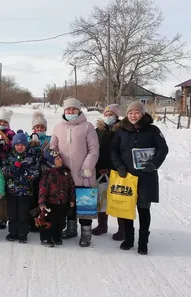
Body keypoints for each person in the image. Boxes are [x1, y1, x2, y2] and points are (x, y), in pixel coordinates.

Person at [111, 101, 168, 255]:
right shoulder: (121, 131)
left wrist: (154, 164)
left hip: (146, 177)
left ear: (142, 114)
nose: (133, 115)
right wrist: (120, 167)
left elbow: (163, 149)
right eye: (130, 113)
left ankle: (143, 241)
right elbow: (113, 150)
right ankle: (129, 239)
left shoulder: (153, 130)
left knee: (143, 209)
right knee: (127, 208)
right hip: (127, 176)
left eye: (136, 112)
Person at [50, 98, 99, 247]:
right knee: (68, 204)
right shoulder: (58, 128)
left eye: (73, 109)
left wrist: (87, 167)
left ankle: (86, 233)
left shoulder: (87, 127)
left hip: (84, 174)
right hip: (65, 175)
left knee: (85, 204)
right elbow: (53, 147)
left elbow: (94, 149)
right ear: (64, 111)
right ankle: (71, 229)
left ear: (79, 110)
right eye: (68, 109)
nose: (70, 112)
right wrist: (56, 159)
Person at [91, 104, 125, 240]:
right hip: (99, 169)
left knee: (118, 199)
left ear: (116, 116)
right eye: (106, 114)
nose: (108, 116)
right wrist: (98, 166)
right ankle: (102, 225)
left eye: (111, 114)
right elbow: (94, 150)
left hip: (117, 170)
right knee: (101, 198)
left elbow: (121, 152)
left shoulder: (122, 130)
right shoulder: (96, 131)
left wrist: (113, 167)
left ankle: (122, 229)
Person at [1, 130, 41, 244]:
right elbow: (3, 170)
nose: (19, 147)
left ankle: (23, 233)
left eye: (22, 145)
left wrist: (24, 172)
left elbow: (36, 172)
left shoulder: (31, 157)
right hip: (11, 190)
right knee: (12, 213)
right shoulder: (9, 157)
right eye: (17, 145)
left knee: (23, 213)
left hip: (25, 191)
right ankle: (13, 232)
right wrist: (11, 170)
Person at [38, 149, 76, 247]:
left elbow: (71, 186)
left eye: (60, 158)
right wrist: (42, 203)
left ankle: (56, 236)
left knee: (60, 221)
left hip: (62, 202)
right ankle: (45, 237)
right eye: (57, 159)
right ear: (51, 161)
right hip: (50, 203)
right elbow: (43, 189)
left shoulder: (66, 173)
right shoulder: (47, 174)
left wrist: (72, 199)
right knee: (48, 221)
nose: (60, 160)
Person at [27, 110, 50, 232]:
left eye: (42, 127)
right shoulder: (28, 138)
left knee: (43, 198)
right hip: (32, 174)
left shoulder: (50, 139)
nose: (39, 129)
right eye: (37, 127)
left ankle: (43, 220)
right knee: (32, 197)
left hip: (46, 174)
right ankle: (32, 221)